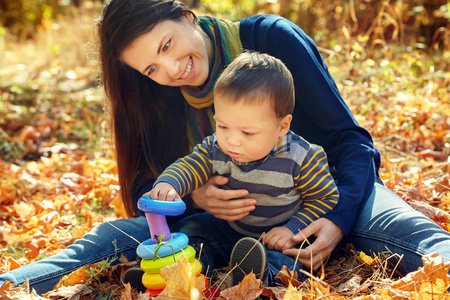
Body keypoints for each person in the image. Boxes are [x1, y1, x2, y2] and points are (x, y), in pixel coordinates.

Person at [1, 0, 450, 294]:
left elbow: (350, 141)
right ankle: (10, 284)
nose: (172, 69)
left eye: (168, 45)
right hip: (221, 225)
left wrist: (337, 218)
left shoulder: (270, 40)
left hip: (325, 197)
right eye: (152, 67)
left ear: (186, 16)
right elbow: (147, 181)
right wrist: (193, 194)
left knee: (412, 236)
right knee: (106, 239)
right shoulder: (158, 91)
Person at [147, 51, 339, 283]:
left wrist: (293, 229)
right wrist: (170, 183)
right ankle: (185, 274)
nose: (232, 140)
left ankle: (257, 277)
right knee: (195, 231)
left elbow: (326, 199)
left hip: (280, 237)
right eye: (223, 126)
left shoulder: (301, 157)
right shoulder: (216, 147)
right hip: (230, 230)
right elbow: (190, 165)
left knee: (290, 261)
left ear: (282, 126)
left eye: (247, 132)